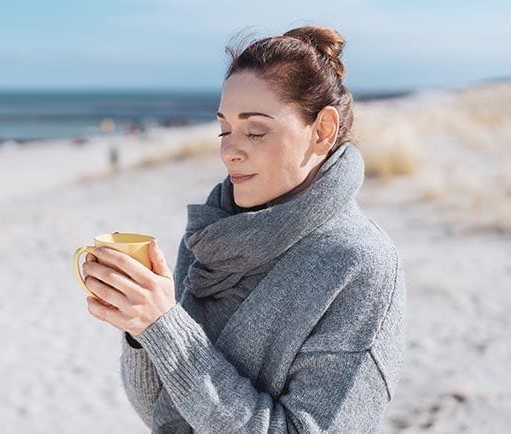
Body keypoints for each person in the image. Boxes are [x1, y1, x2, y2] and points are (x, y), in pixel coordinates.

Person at [83, 25, 406, 433]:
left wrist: (164, 327)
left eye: (255, 130)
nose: (230, 151)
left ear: (322, 130)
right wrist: (140, 328)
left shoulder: (361, 265)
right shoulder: (211, 234)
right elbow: (164, 414)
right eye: (224, 129)